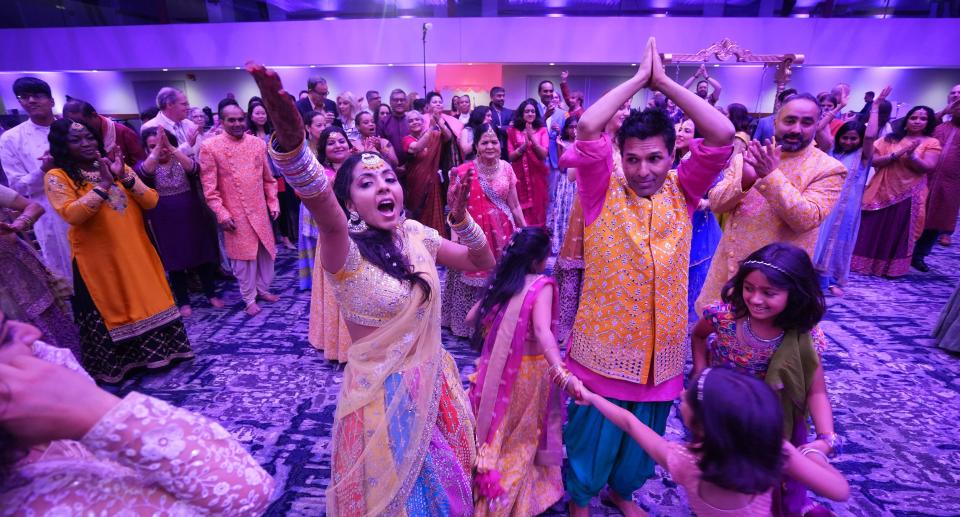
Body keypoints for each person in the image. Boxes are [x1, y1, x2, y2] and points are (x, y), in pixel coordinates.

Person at [248, 61, 496, 516]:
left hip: (435, 382)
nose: (384, 187)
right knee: (399, 499)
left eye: (388, 179)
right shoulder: (343, 249)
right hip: (382, 398)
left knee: (447, 489)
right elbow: (319, 199)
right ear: (349, 203)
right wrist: (291, 144)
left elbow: (483, 263)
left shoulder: (417, 234)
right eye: (366, 183)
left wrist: (461, 220)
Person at [560, 38, 735, 517]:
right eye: (633, 158)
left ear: (671, 154)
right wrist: (639, 79)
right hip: (603, 347)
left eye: (655, 158)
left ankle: (623, 492)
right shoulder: (602, 190)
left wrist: (667, 84)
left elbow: (721, 133)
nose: (643, 170)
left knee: (646, 438)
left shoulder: (685, 190)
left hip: (661, 353)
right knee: (593, 433)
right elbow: (590, 125)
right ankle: (581, 498)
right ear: (620, 156)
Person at [0, 312, 275, 515]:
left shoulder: (30, 412)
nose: (31, 332)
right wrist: (96, 410)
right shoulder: (38, 502)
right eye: (5, 337)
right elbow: (247, 494)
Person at [691, 242, 841, 515]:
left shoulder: (804, 337)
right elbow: (699, 336)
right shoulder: (723, 316)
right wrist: (700, 371)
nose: (756, 299)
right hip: (723, 414)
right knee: (720, 476)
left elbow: (815, 392)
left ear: (794, 294)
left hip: (773, 424)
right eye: (749, 288)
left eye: (769, 292)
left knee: (771, 490)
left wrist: (826, 437)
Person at [579, 367, 850, 517]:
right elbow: (840, 491)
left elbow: (629, 422)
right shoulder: (773, 453)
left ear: (700, 426)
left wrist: (590, 397)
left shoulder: (684, 462)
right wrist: (814, 451)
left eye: (687, 398)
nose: (682, 394)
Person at [44, 119, 192, 383]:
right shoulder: (57, 176)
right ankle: (126, 364)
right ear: (62, 146)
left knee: (148, 297)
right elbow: (72, 214)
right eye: (76, 140)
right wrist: (102, 185)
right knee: (113, 303)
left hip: (136, 248)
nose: (87, 143)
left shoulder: (118, 166)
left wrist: (122, 176)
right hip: (98, 260)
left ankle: (164, 354)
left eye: (89, 137)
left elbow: (151, 200)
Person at [695, 92, 846, 315]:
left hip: (778, 281)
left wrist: (769, 176)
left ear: (817, 125)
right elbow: (716, 204)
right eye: (790, 120)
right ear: (775, 121)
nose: (796, 129)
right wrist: (746, 180)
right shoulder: (750, 156)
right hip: (729, 270)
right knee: (716, 334)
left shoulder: (828, 168)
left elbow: (807, 219)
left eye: (806, 123)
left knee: (767, 343)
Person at [466, 227, 576, 516]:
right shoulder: (542, 286)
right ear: (535, 261)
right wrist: (560, 370)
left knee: (497, 431)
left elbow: (471, 317)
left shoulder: (506, 284)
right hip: (528, 374)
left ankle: (482, 486)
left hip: (498, 371)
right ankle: (501, 503)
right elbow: (542, 330)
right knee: (523, 438)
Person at [443, 123, 527, 338]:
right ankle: (467, 325)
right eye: (485, 142)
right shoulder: (464, 172)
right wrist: (456, 239)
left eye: (494, 142)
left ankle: (498, 321)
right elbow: (454, 209)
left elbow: (515, 205)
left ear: (500, 145)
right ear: (477, 146)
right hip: (473, 234)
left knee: (500, 277)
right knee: (469, 276)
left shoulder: (507, 168)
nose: (490, 146)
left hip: (503, 233)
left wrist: (525, 232)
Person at [199, 100, 280, 316]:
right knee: (243, 259)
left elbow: (269, 179)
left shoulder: (257, 143)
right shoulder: (210, 147)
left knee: (266, 254)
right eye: (231, 120)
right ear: (222, 121)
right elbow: (210, 190)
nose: (237, 124)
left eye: (240, 119)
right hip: (234, 213)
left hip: (260, 210)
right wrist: (222, 214)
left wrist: (273, 201)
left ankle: (263, 289)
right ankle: (249, 298)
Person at [137, 127, 222, 317]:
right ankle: (183, 301)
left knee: (203, 255)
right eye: (153, 146)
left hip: (192, 216)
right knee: (174, 260)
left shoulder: (181, 160)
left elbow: (194, 169)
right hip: (164, 220)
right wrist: (157, 150)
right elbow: (143, 173)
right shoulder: (145, 165)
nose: (161, 148)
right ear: (145, 149)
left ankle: (211, 294)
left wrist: (172, 148)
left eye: (165, 144)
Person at [813, 86, 889, 295]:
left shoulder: (862, 157)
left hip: (846, 211)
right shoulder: (830, 151)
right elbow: (819, 129)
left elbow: (870, 136)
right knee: (816, 242)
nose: (848, 141)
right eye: (845, 138)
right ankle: (813, 280)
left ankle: (831, 281)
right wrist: (837, 108)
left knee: (838, 243)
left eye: (853, 138)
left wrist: (875, 106)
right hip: (824, 206)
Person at [851, 105, 941, 277]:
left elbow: (928, 167)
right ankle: (862, 263)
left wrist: (913, 156)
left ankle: (889, 268)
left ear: (928, 123)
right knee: (872, 226)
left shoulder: (932, 143)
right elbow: (873, 160)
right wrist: (897, 154)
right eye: (913, 117)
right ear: (906, 120)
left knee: (897, 231)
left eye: (923, 119)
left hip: (909, 193)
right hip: (882, 188)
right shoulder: (890, 139)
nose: (917, 121)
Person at [0, 77, 73, 284]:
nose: (31, 101)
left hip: (87, 203)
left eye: (37, 96)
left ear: (51, 101)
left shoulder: (71, 128)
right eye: (24, 97)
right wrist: (43, 170)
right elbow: (17, 186)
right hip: (49, 212)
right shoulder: (12, 138)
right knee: (69, 274)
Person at [0, 185, 78, 355]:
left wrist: (18, 224)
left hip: (19, 272)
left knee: (44, 321)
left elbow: (34, 207)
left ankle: (71, 373)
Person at [304, 126, 354, 360]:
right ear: (323, 149)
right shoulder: (320, 174)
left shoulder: (359, 167)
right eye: (331, 143)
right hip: (334, 237)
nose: (338, 145)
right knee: (338, 288)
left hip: (361, 235)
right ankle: (338, 344)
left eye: (341, 141)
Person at [678, 118, 724, 321]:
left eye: (687, 131)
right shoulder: (668, 157)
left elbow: (721, 197)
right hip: (673, 225)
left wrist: (703, 204)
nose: (680, 134)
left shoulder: (706, 164)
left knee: (694, 276)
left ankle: (692, 327)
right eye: (678, 129)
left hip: (699, 227)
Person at [913, 87, 960, 264]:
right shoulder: (939, 126)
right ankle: (903, 254)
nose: (957, 97)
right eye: (953, 94)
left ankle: (919, 256)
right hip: (925, 177)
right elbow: (919, 127)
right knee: (915, 213)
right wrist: (945, 110)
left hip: (952, 183)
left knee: (937, 219)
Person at [297, 110, 332, 291]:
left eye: (325, 124)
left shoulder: (331, 145)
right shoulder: (303, 150)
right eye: (319, 125)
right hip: (311, 201)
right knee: (314, 243)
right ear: (308, 128)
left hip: (331, 202)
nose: (323, 128)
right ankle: (318, 283)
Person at [63, 98, 146, 167]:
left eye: (81, 123)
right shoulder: (68, 137)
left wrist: (122, 175)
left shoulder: (123, 132)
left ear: (94, 115)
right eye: (72, 124)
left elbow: (141, 166)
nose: (77, 128)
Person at [403, 109, 448, 237]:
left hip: (432, 183)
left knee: (434, 216)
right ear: (407, 125)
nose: (414, 122)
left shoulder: (433, 135)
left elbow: (448, 136)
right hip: (416, 184)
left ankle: (439, 244)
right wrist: (431, 128)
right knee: (418, 214)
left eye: (417, 119)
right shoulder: (406, 139)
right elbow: (417, 147)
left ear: (422, 122)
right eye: (410, 121)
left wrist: (439, 121)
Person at [507, 99, 550, 227]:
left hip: (536, 177)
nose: (530, 114)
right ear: (521, 114)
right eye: (527, 111)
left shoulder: (542, 130)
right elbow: (511, 156)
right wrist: (523, 147)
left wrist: (531, 138)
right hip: (518, 178)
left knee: (538, 210)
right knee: (520, 208)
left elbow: (543, 154)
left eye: (533, 111)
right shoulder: (512, 131)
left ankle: (536, 239)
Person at [547, 115, 579, 255]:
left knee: (576, 211)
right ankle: (561, 244)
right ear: (567, 129)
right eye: (571, 127)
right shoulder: (562, 142)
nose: (574, 130)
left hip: (580, 181)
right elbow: (562, 166)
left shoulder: (584, 142)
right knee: (564, 210)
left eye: (576, 127)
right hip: (566, 180)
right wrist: (563, 147)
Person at [141, 87, 201, 159]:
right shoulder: (149, 127)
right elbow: (156, 159)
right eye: (184, 104)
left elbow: (199, 152)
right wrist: (187, 146)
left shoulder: (190, 124)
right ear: (169, 105)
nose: (188, 107)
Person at [377, 88, 411, 165]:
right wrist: (394, 165)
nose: (399, 102)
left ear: (406, 102)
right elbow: (381, 146)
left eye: (402, 100)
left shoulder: (412, 120)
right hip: (390, 166)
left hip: (412, 166)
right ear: (390, 102)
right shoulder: (383, 122)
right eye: (395, 100)